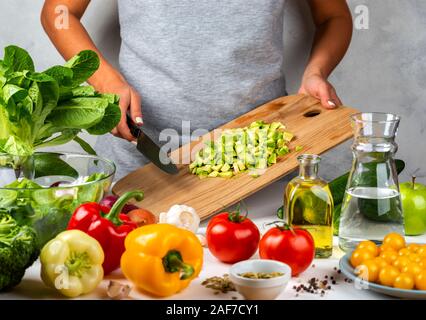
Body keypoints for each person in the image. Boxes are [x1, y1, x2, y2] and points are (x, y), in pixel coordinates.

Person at [41, 0, 352, 179]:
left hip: (260, 164)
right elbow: (58, 12)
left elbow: (334, 16)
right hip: (140, 160)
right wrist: (104, 80)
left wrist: (316, 71)